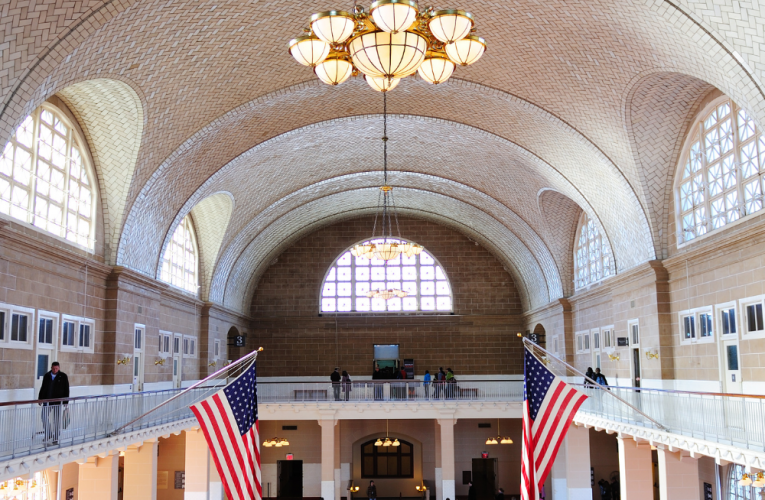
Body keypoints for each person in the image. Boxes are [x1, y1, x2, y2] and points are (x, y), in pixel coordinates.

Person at [38, 362, 69, 444]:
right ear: (51, 368)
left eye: (56, 368)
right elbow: (43, 387)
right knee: (44, 417)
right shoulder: (47, 375)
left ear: (59, 368)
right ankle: (48, 433)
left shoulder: (63, 376)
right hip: (47, 400)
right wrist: (40, 398)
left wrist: (66, 401)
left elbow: (66, 389)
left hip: (57, 401)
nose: (55, 370)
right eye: (53, 368)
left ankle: (55, 437)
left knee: (56, 419)